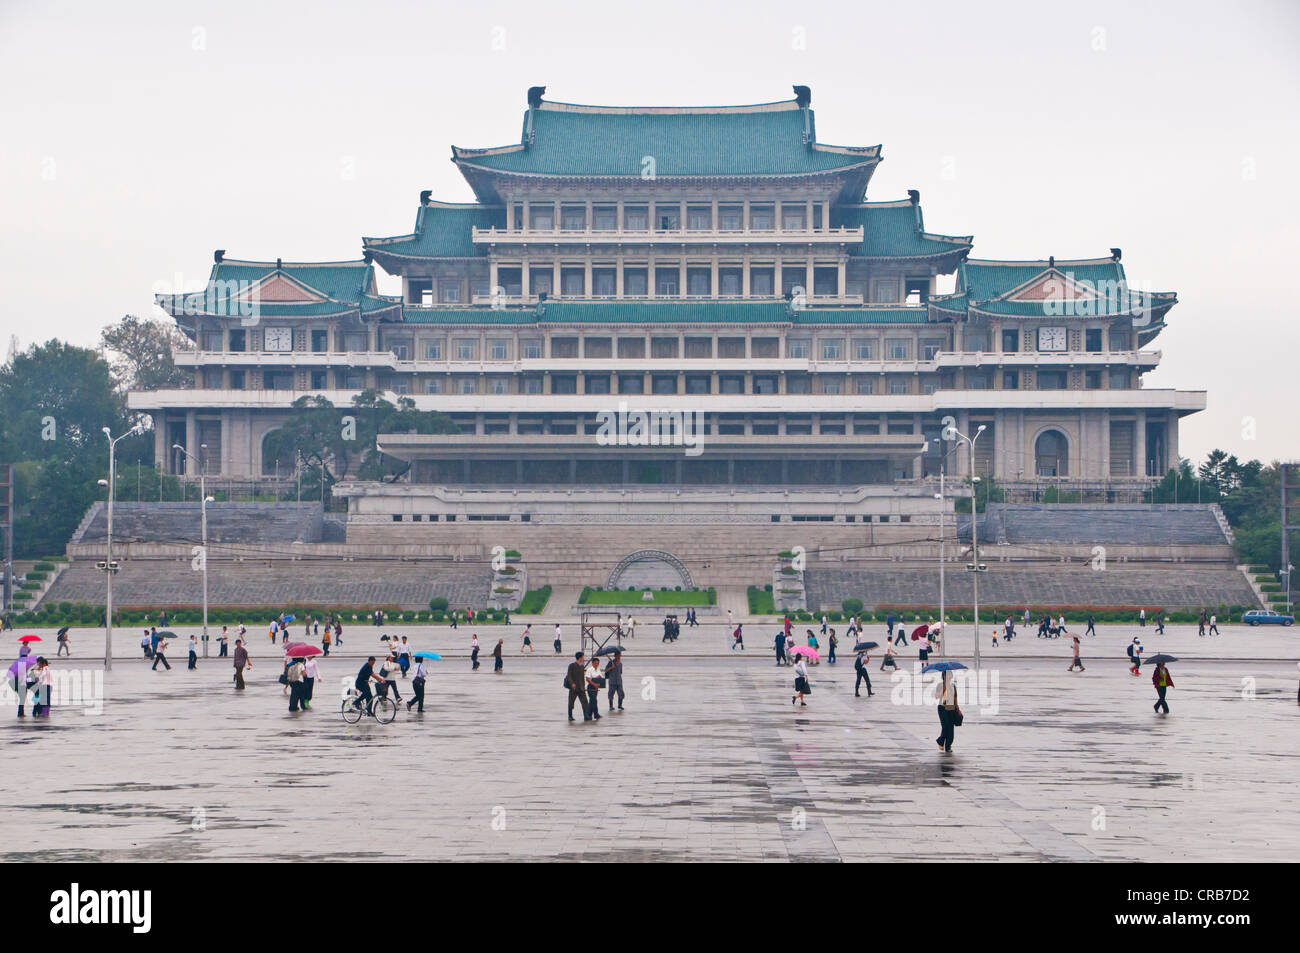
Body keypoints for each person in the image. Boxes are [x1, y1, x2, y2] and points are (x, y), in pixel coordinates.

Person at [936, 670, 960, 753]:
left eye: (950, 675)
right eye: (948, 675)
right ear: (944, 676)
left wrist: (958, 709)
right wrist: (943, 689)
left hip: (951, 707)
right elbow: (936, 696)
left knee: (951, 728)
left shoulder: (953, 685)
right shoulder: (940, 685)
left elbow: (955, 698)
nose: (949, 677)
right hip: (942, 708)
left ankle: (948, 746)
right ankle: (940, 741)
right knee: (945, 727)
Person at [566, 652, 591, 722]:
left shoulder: (582, 666)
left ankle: (586, 716)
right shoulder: (571, 665)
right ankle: (570, 716)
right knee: (571, 702)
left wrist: (583, 686)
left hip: (581, 688)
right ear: (580, 657)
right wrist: (572, 684)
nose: (584, 658)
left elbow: (582, 678)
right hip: (573, 688)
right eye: (583, 657)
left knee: (585, 702)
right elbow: (569, 676)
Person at [585, 656, 603, 721]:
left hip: (596, 688)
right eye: (595, 663)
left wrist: (599, 677)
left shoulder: (598, 669)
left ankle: (590, 715)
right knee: (594, 701)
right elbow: (587, 679)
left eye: (598, 663)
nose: (596, 664)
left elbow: (601, 677)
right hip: (591, 687)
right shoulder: (589, 669)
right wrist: (594, 684)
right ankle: (594, 715)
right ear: (592, 663)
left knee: (592, 701)